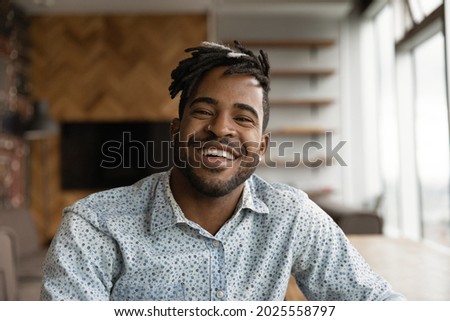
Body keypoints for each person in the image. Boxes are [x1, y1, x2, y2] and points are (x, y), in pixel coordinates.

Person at [40, 41, 405, 301]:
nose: (221, 129)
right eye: (203, 111)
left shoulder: (292, 216)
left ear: (261, 147)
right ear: (175, 130)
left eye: (243, 118)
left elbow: (375, 302)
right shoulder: (95, 226)